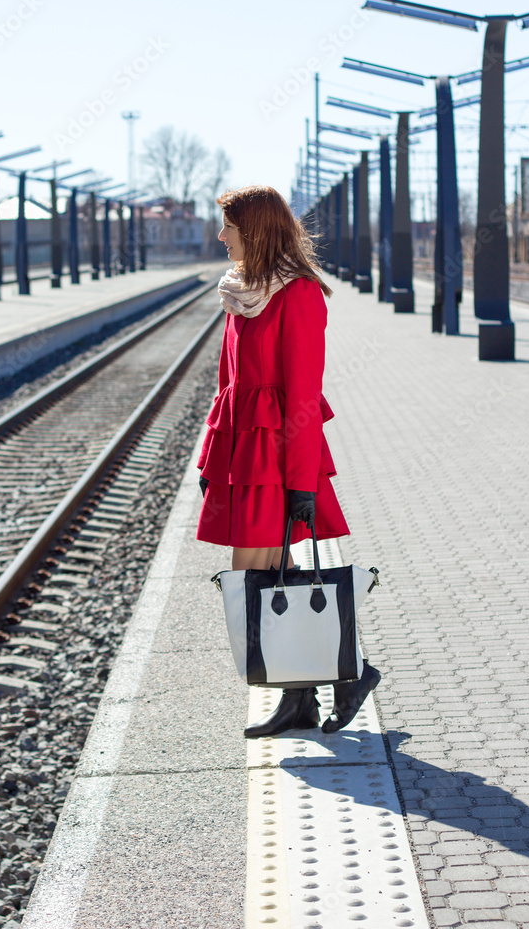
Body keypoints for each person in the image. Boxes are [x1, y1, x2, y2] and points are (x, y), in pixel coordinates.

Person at [196, 184, 380, 739]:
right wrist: (211, 460)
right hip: (242, 455)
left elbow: (302, 395)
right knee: (258, 575)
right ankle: (306, 694)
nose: (220, 235)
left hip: (277, 456)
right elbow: (228, 386)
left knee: (256, 575)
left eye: (227, 226)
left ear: (253, 229)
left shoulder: (297, 296)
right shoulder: (240, 291)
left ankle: (345, 674)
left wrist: (302, 482)